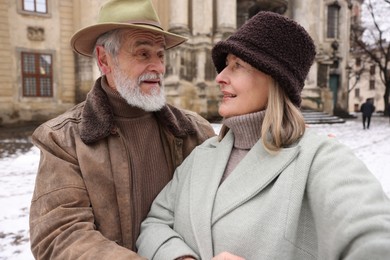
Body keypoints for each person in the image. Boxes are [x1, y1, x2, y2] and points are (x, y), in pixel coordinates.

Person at [136, 12, 390, 260]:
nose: (220, 77)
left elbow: (376, 240)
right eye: (226, 65)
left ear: (275, 80)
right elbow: (155, 223)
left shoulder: (321, 159)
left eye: (237, 66)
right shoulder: (202, 155)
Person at [29, 0, 215, 259]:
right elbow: (60, 235)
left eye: (160, 54)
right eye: (142, 54)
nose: (158, 67)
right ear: (104, 60)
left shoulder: (195, 132)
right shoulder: (63, 139)